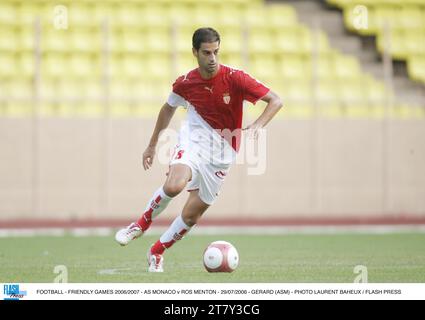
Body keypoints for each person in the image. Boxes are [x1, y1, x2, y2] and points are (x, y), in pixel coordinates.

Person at [115, 27, 282, 272]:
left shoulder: (235, 78)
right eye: (206, 52)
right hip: (193, 143)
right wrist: (152, 145)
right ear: (195, 52)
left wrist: (258, 125)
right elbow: (167, 109)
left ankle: (156, 252)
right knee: (174, 185)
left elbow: (276, 101)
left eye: (216, 52)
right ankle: (139, 225)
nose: (212, 58)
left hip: (222, 156)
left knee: (191, 216)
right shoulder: (186, 83)